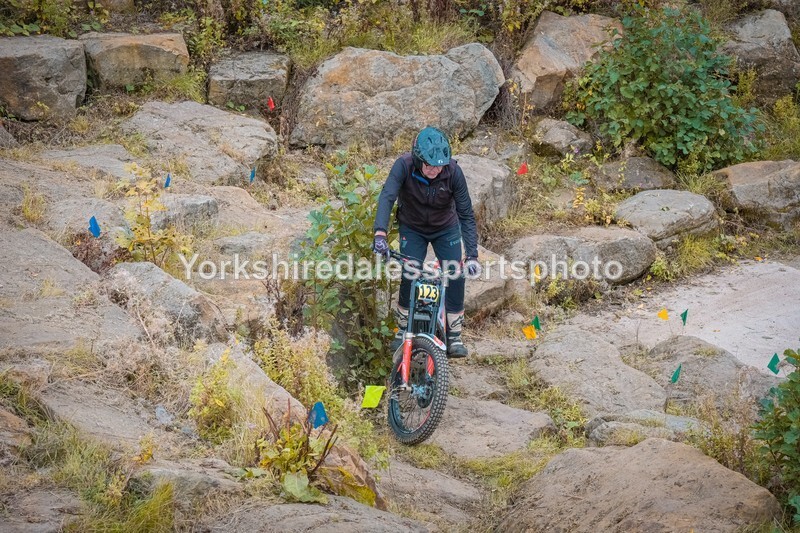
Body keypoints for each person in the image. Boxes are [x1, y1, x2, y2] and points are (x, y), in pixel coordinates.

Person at [372, 126, 481, 358]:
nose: (434, 170)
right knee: (410, 272)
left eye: (439, 165)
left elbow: (466, 214)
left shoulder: (453, 172)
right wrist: (380, 233)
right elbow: (387, 196)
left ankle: (454, 336)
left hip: (446, 227)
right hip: (413, 228)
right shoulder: (403, 165)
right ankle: (403, 331)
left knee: (455, 274)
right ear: (419, 159)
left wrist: (472, 254)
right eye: (430, 165)